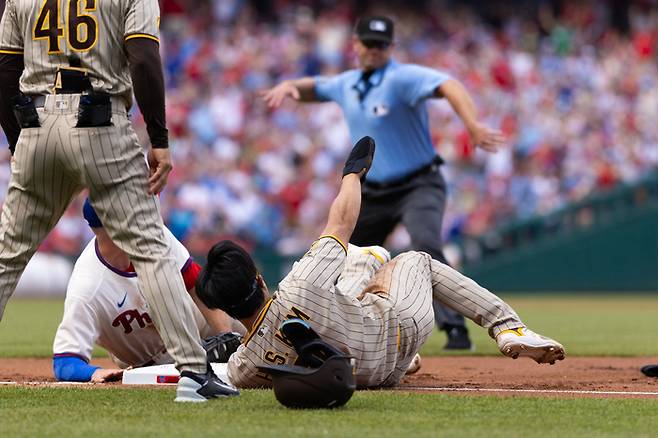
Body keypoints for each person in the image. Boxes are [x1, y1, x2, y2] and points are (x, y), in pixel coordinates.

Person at [0, 0, 236, 401]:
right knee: (149, 247)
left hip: (36, 123)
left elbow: (6, 69)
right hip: (100, 121)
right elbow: (143, 59)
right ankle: (194, 375)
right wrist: (159, 140)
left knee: (8, 253)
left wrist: (19, 137)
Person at [195, 136, 565, 389]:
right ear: (259, 279)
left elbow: (236, 369)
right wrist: (353, 174)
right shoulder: (298, 283)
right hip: (401, 332)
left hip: (373, 377)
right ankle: (507, 327)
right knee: (418, 260)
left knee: (356, 277)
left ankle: (367, 266)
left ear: (223, 306)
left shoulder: (244, 369)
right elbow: (341, 223)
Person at [262, 16, 506, 350]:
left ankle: (455, 329)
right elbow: (315, 87)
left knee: (426, 246)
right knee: (338, 251)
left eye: (381, 44)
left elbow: (450, 86)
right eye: (369, 43)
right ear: (356, 44)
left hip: (418, 183)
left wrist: (473, 125)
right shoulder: (346, 83)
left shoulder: (402, 77)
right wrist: (290, 87)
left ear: (390, 47)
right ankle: (303, 322)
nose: (375, 50)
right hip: (373, 192)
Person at [52, 200, 244, 383]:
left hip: (197, 322)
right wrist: (95, 372)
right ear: (116, 227)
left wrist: (225, 335)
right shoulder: (88, 288)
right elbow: (65, 363)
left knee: (248, 325)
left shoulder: (154, 235)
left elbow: (197, 283)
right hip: (149, 363)